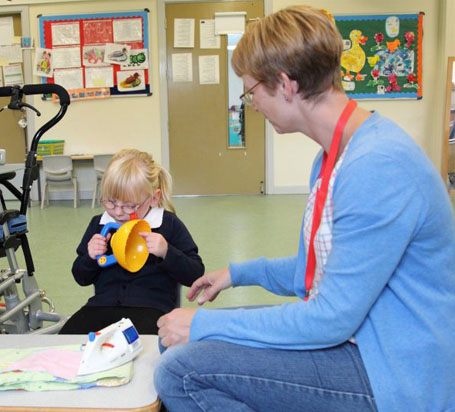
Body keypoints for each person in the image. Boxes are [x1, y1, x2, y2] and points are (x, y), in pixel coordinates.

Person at [154, 6, 455, 412]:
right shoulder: (335, 155)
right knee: (177, 338)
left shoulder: (377, 166)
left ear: (285, 84)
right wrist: (238, 273)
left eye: (251, 91)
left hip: (393, 374)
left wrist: (204, 324)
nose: (253, 104)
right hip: (360, 340)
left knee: (180, 369)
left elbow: (329, 318)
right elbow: (317, 270)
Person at [59, 149, 204, 335]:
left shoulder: (167, 224)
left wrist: (166, 251)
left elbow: (195, 275)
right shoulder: (100, 224)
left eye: (129, 206)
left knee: (142, 352)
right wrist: (90, 257)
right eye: (110, 202)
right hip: (101, 307)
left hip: (151, 309)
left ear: (154, 198)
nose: (118, 212)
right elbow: (81, 278)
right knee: (66, 341)